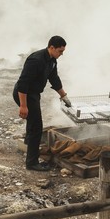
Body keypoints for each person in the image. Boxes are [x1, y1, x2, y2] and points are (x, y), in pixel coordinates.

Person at [14, 36, 71, 172]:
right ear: (51, 47)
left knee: (33, 122)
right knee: (36, 127)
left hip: (34, 94)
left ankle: (28, 145)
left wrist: (64, 96)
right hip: (25, 93)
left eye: (63, 51)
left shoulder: (52, 60)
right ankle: (32, 163)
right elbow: (23, 83)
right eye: (60, 51)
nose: (61, 54)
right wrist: (23, 106)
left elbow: (54, 78)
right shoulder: (36, 60)